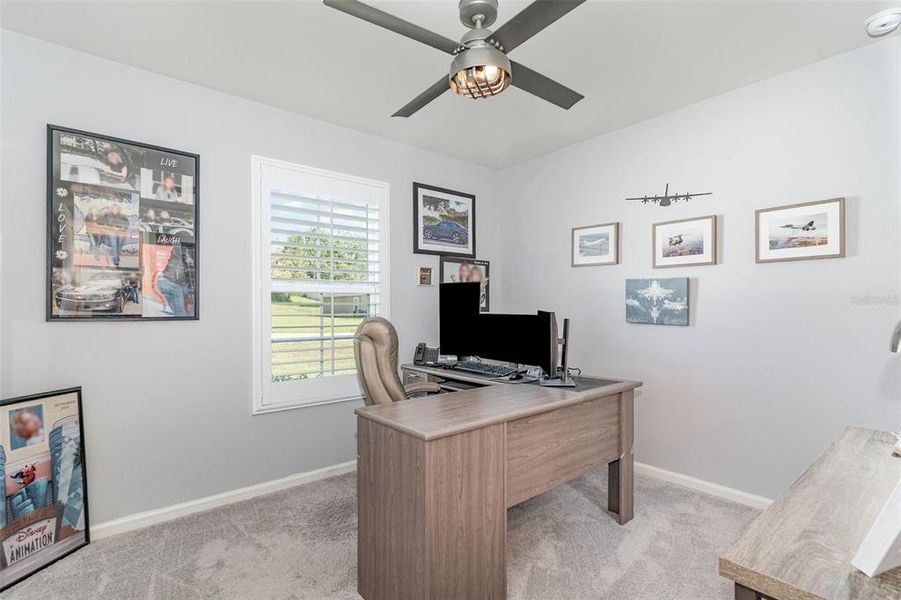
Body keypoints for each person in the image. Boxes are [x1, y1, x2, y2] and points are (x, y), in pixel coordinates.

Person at [157, 243, 190, 316]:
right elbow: (179, 276)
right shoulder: (180, 251)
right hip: (170, 282)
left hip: (165, 281)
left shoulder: (177, 251)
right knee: (181, 314)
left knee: (178, 312)